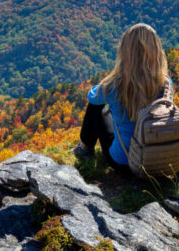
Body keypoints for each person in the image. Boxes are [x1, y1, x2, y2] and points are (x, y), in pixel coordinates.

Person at [74, 23, 172, 171]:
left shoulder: (115, 85)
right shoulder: (166, 83)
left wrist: (112, 76)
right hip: (159, 161)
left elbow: (92, 96)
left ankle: (85, 149)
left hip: (124, 162)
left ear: (125, 52)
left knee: (96, 107)